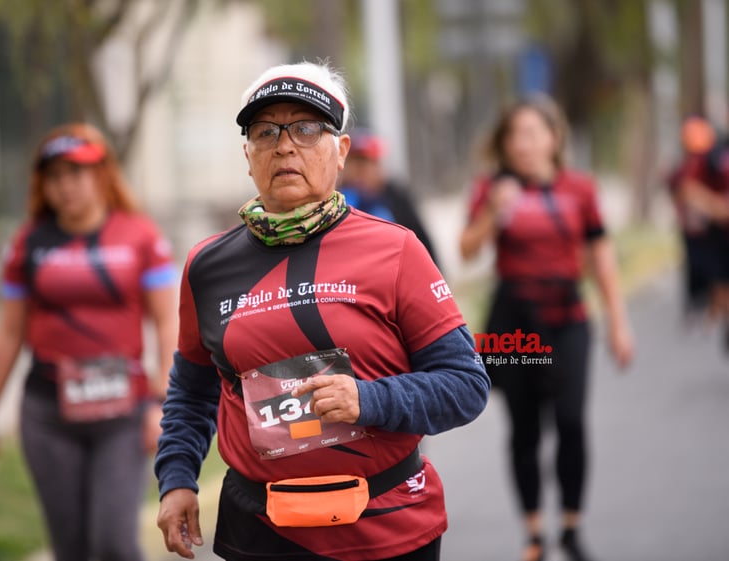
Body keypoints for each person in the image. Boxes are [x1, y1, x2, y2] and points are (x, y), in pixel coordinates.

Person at [154, 61, 490, 561]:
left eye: (307, 129)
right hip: (261, 531)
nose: (285, 145)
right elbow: (192, 390)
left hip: (385, 528)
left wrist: (368, 400)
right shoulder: (207, 265)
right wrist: (177, 476)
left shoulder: (396, 250)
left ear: (342, 152)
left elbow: (466, 384)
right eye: (266, 131)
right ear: (248, 155)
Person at [0, 122, 179, 561]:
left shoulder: (141, 237)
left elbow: (167, 323)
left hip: (123, 414)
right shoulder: (27, 243)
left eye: (76, 173)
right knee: (73, 550)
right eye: (55, 176)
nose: (65, 186)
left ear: (101, 175)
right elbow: (8, 334)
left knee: (114, 544)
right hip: (47, 415)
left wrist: (162, 402)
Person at [459, 95, 634, 561]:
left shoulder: (579, 189)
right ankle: (534, 533)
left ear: (554, 138)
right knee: (524, 428)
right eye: (514, 135)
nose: (523, 144)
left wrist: (618, 322)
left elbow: (600, 255)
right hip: (516, 324)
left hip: (569, 319)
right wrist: (495, 211)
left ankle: (571, 527)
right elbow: (467, 250)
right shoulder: (492, 188)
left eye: (533, 133)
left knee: (572, 421)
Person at [666, 115, 729, 346]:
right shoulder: (706, 158)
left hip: (711, 228)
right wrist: (714, 207)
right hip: (707, 232)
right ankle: (706, 311)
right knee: (710, 275)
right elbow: (683, 188)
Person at [338, 128, 441, 267]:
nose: (360, 172)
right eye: (354, 163)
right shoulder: (339, 200)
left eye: (366, 164)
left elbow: (422, 242)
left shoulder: (396, 197)